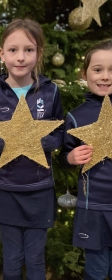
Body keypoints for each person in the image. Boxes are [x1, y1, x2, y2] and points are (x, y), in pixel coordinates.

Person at [0, 18, 64, 280]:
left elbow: (59, 131)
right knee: (12, 258)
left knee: (36, 258)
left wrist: (47, 142)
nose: (21, 57)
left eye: (29, 49)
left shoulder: (51, 92)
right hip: (7, 191)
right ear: (2, 53)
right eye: (13, 50)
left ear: (39, 53)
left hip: (40, 189)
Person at [59, 39, 112, 280]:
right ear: (85, 73)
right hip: (93, 209)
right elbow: (63, 158)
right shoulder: (76, 116)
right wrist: (70, 157)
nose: (105, 76)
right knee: (96, 270)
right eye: (98, 69)